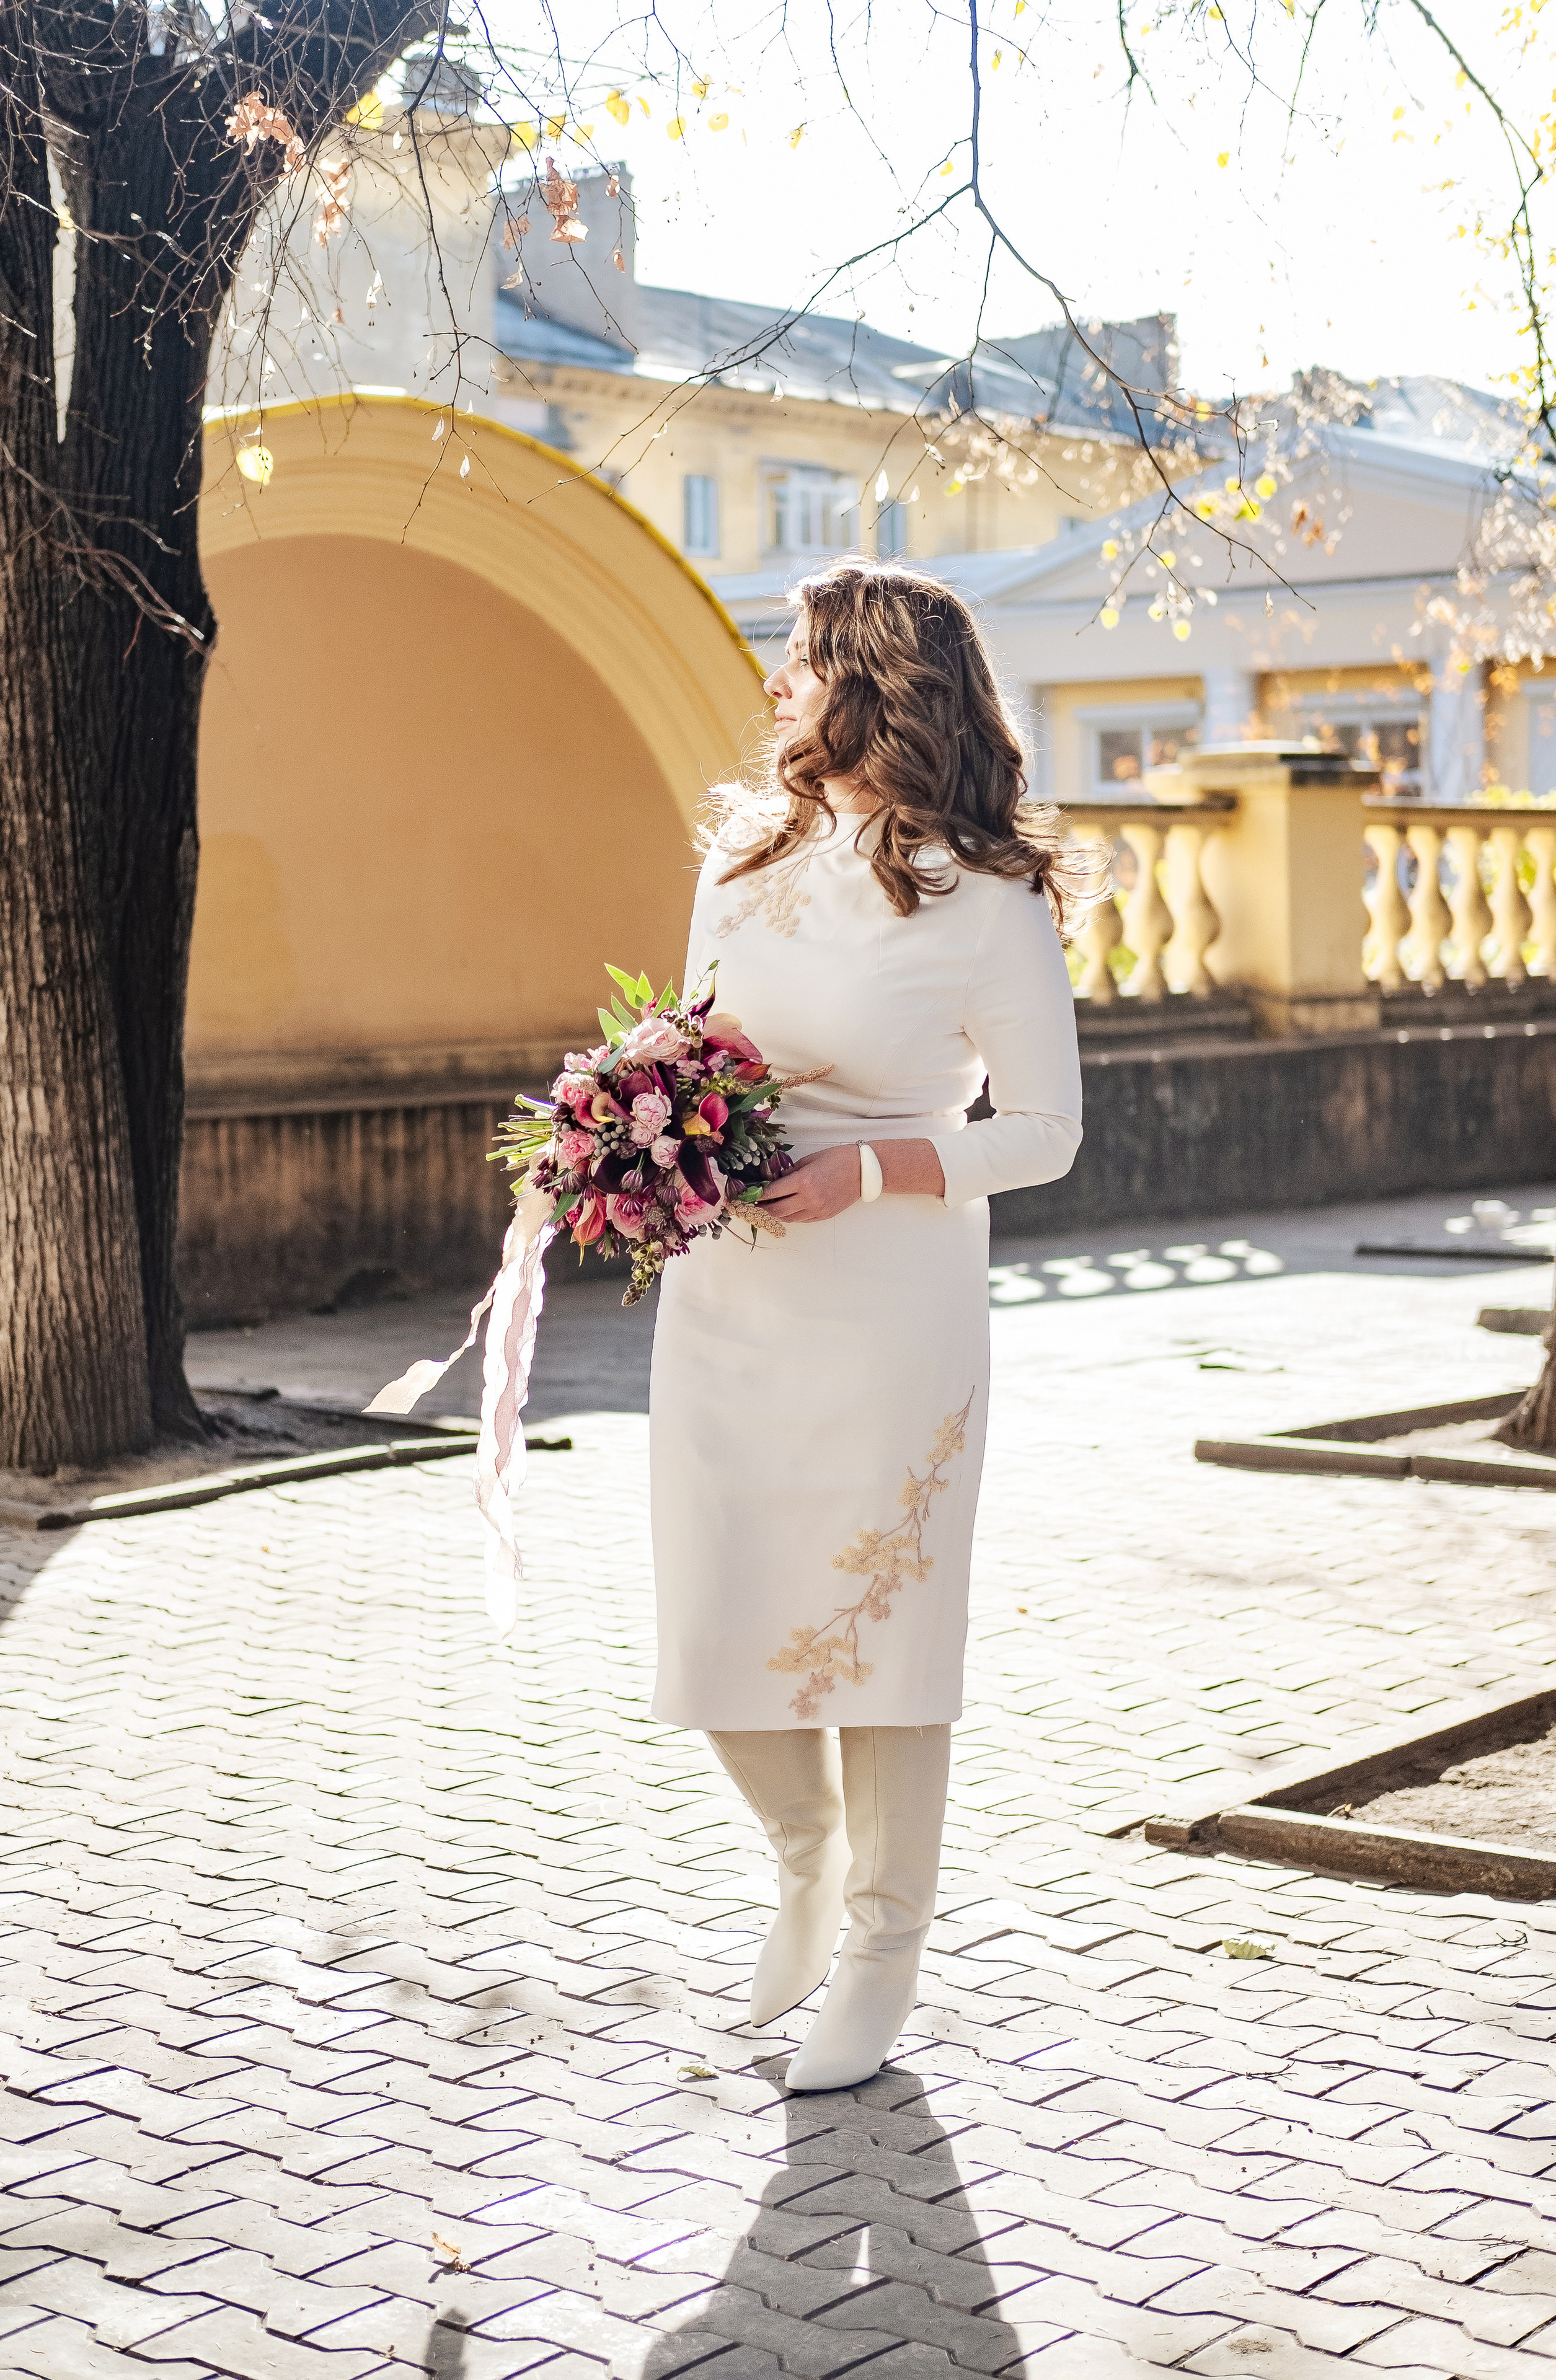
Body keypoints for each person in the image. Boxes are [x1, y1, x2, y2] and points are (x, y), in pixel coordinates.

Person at [648, 556, 1094, 2091]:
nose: (777, 679)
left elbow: (1044, 1131)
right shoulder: (743, 857)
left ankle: (886, 1943)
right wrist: (639, 1118)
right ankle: (801, 1861)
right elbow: (694, 1044)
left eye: (799, 654)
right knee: (717, 1615)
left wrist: (882, 1166)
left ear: (872, 684)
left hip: (890, 1297)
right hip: (729, 1286)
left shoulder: (991, 896)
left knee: (882, 1637)